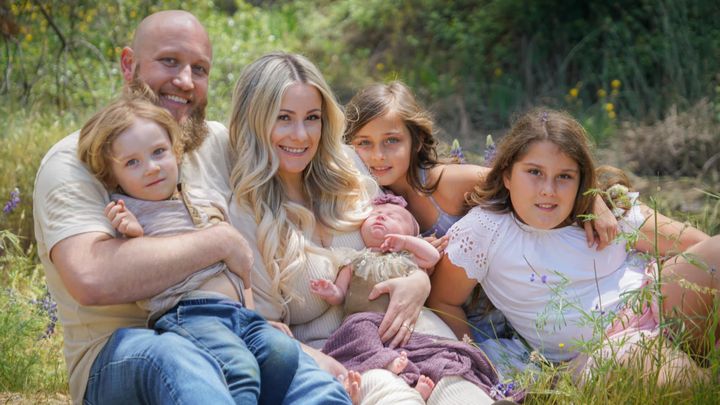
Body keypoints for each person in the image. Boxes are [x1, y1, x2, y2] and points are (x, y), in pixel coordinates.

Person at [33, 10, 349, 404]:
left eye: (199, 69)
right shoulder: (76, 159)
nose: (185, 80)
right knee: (178, 357)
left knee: (310, 380)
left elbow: (316, 156)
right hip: (127, 352)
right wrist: (218, 242)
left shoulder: (213, 143)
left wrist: (406, 234)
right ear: (129, 65)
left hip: (231, 331)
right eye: (169, 61)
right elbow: (91, 277)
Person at [228, 52, 498, 404]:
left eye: (312, 118)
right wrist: (325, 366)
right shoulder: (247, 213)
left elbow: (402, 244)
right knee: (393, 397)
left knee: (460, 390)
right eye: (283, 118)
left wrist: (417, 281)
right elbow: (265, 330)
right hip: (341, 355)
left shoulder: (348, 168)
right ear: (255, 120)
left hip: (410, 325)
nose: (301, 134)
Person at [427, 108, 720, 384]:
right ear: (507, 176)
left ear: (581, 181)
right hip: (601, 349)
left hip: (655, 297)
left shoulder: (605, 210)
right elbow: (444, 301)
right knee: (641, 359)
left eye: (564, 177)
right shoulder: (485, 229)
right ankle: (704, 381)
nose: (548, 190)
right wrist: (474, 357)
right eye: (534, 172)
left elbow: (697, 244)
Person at [76, 92, 332, 404]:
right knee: (238, 369)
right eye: (132, 162)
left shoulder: (204, 198)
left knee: (282, 353)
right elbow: (140, 266)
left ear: (176, 151)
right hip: (192, 314)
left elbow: (241, 267)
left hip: (238, 313)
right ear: (112, 175)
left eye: (159, 152)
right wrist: (132, 233)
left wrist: (253, 314)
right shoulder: (132, 211)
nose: (152, 168)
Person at [344, 82, 620, 344]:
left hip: (511, 310)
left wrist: (593, 199)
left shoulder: (446, 183)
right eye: (364, 143)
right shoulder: (366, 200)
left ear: (416, 141)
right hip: (448, 315)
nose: (378, 155)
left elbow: (524, 182)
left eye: (392, 140)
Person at [311, 195, 516, 402]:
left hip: (407, 321)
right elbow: (340, 294)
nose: (381, 217)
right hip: (363, 318)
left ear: (411, 233)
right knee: (358, 335)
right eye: (376, 214)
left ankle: (414, 378)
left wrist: (407, 242)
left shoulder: (406, 255)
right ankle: (387, 363)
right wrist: (330, 291)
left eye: (393, 217)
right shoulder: (354, 259)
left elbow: (432, 257)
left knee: (421, 347)